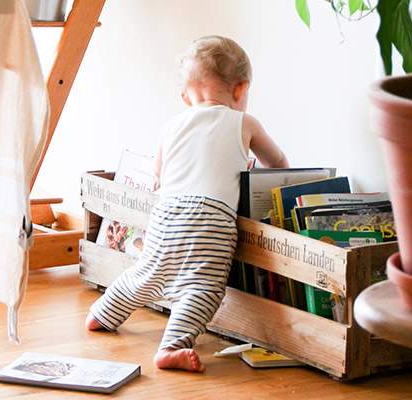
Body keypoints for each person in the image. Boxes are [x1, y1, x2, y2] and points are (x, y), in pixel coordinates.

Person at [85, 35, 289, 373]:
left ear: (186, 96)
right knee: (203, 287)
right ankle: (172, 346)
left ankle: (102, 314)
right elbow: (278, 164)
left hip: (167, 214)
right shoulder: (244, 123)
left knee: (147, 273)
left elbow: (158, 175)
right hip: (212, 219)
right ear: (240, 90)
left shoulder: (171, 126)